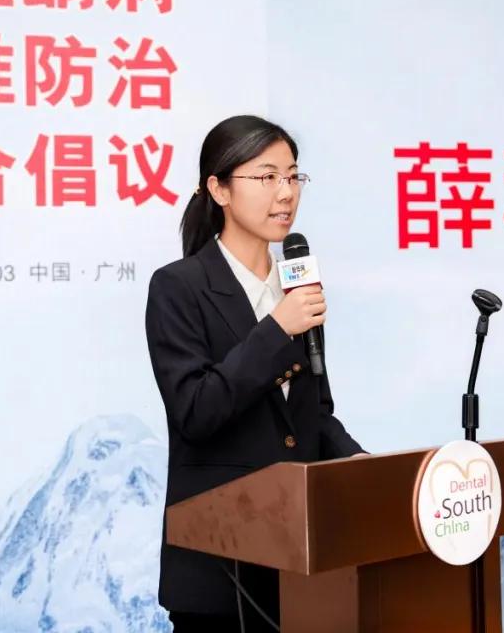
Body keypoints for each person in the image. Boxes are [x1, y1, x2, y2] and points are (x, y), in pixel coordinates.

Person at [144, 114, 367, 633]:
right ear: (219, 189)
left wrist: (358, 465)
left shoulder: (298, 287)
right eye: (267, 177)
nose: (286, 193)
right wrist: (276, 329)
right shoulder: (178, 287)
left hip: (301, 571)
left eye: (293, 176)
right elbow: (196, 411)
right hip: (219, 575)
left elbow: (313, 416)